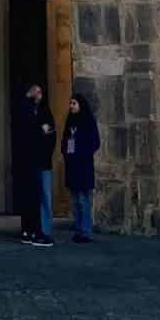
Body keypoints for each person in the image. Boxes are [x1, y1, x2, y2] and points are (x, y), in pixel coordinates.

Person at [12, 80, 56, 245]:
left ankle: (35, 230)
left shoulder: (40, 111)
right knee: (32, 196)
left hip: (36, 160)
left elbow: (49, 134)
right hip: (29, 161)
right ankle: (34, 232)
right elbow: (30, 132)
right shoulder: (26, 110)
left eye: (40, 93)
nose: (38, 95)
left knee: (37, 196)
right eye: (36, 92)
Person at [61, 91, 100, 242]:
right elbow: (65, 140)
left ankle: (86, 232)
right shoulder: (70, 121)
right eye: (70, 103)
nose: (71, 106)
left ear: (80, 105)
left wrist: (82, 152)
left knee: (84, 200)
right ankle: (78, 230)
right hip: (72, 165)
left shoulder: (88, 121)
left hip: (83, 165)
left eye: (74, 103)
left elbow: (95, 142)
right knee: (75, 201)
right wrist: (65, 151)